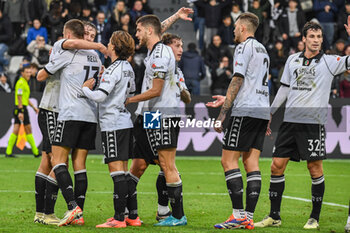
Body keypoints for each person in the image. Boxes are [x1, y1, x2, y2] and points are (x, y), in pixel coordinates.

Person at [255, 19, 350, 230]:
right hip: (289, 123)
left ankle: (314, 218)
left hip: (313, 124)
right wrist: (270, 112)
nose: (316, 41)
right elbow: (285, 89)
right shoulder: (291, 60)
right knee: (276, 166)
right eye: (312, 37)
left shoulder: (329, 61)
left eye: (319, 37)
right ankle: (274, 216)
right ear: (304, 39)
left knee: (314, 168)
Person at [125, 8, 193, 227]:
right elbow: (157, 27)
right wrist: (175, 16)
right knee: (138, 164)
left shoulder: (162, 54)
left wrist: (129, 100)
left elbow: (156, 90)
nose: (136, 34)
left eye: (138, 30)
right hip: (150, 115)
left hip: (163, 113)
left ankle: (177, 215)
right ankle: (126, 211)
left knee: (166, 164)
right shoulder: (155, 49)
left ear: (146, 30)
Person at [34, 21, 106, 226]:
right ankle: (44, 212)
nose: (90, 39)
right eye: (87, 35)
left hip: (72, 112)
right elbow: (42, 75)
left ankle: (68, 212)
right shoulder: (64, 47)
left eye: (93, 36)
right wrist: (99, 47)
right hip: (53, 108)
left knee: (65, 162)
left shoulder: (93, 57)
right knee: (52, 160)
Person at [209, 12, 270, 230]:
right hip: (261, 110)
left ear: (243, 28)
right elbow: (258, 84)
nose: (234, 31)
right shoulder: (263, 50)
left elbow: (238, 79)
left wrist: (222, 115)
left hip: (245, 111)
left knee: (228, 161)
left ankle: (237, 215)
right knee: (251, 163)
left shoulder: (243, 48)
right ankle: (249, 217)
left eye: (236, 27)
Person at [82, 30, 136, 228]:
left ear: (114, 46)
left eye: (110, 41)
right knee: (122, 170)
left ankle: (119, 219)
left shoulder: (113, 70)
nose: (108, 43)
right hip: (124, 121)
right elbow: (131, 92)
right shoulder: (128, 67)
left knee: (116, 172)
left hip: (112, 124)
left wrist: (85, 89)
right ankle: (130, 215)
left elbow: (100, 96)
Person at [5, 65, 40, 158]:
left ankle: (8, 152)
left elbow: (25, 98)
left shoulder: (24, 82)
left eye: (30, 72)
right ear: (22, 73)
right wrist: (21, 111)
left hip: (20, 108)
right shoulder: (21, 83)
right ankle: (36, 152)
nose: (29, 74)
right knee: (28, 129)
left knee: (16, 130)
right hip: (21, 108)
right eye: (27, 72)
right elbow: (19, 97)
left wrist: (34, 107)